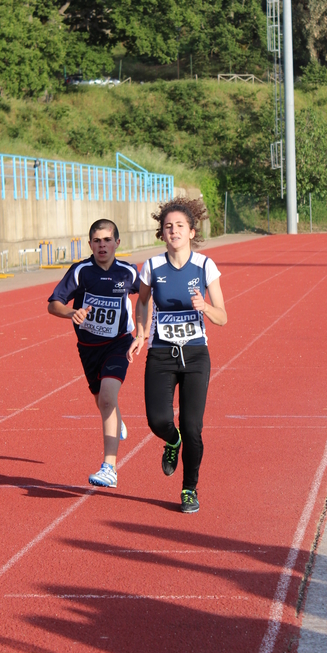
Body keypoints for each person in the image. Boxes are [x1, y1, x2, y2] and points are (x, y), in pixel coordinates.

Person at [127, 197, 227, 514]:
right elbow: (141, 302)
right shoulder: (153, 267)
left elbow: (223, 316)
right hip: (161, 353)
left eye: (179, 226)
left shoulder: (205, 266)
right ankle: (172, 441)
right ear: (162, 233)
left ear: (191, 231)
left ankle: (189, 489)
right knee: (159, 421)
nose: (174, 231)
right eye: (168, 226)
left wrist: (205, 307)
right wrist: (142, 332)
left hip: (196, 354)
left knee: (193, 426)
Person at [47, 219, 140, 488]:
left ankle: (109, 468)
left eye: (107, 240)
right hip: (88, 348)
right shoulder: (81, 272)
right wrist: (70, 312)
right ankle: (116, 421)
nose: (102, 245)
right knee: (103, 402)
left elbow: (146, 292)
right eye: (97, 240)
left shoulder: (127, 273)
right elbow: (54, 304)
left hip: (119, 343)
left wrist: (144, 331)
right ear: (90, 244)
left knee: (109, 399)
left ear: (117, 243)